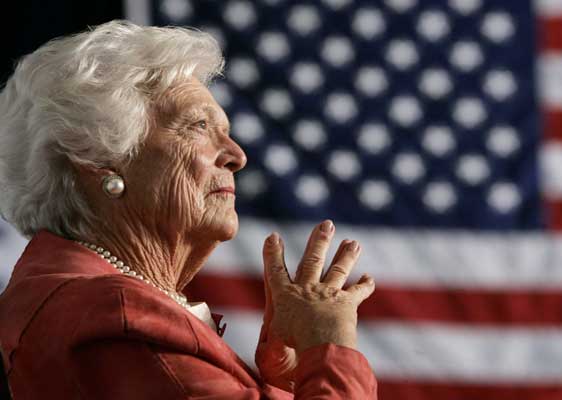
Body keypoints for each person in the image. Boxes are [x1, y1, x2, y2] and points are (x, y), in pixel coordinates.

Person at [0, 21, 377, 399]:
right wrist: (330, 345)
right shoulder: (117, 317)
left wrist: (285, 382)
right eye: (198, 126)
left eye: (225, 132)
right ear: (100, 159)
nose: (237, 156)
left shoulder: (97, 308)